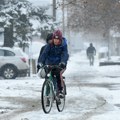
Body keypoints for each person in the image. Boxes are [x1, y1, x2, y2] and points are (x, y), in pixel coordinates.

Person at [37, 30, 69, 96]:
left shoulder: (63, 46)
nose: (56, 41)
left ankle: (60, 90)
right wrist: (40, 63)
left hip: (59, 64)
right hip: (49, 64)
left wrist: (63, 62)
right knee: (47, 76)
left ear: (60, 39)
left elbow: (64, 55)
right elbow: (44, 54)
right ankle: (47, 94)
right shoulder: (49, 45)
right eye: (54, 39)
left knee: (58, 74)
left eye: (57, 39)